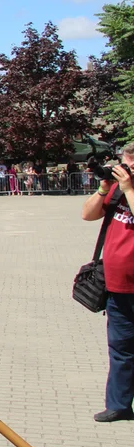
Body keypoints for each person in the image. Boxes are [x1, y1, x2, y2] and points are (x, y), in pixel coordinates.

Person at [82, 142, 134, 423]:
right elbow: (87, 214)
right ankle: (119, 405)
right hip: (117, 284)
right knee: (121, 348)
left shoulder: (127, 189)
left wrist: (128, 189)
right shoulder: (116, 189)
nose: (126, 170)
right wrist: (104, 187)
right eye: (125, 163)